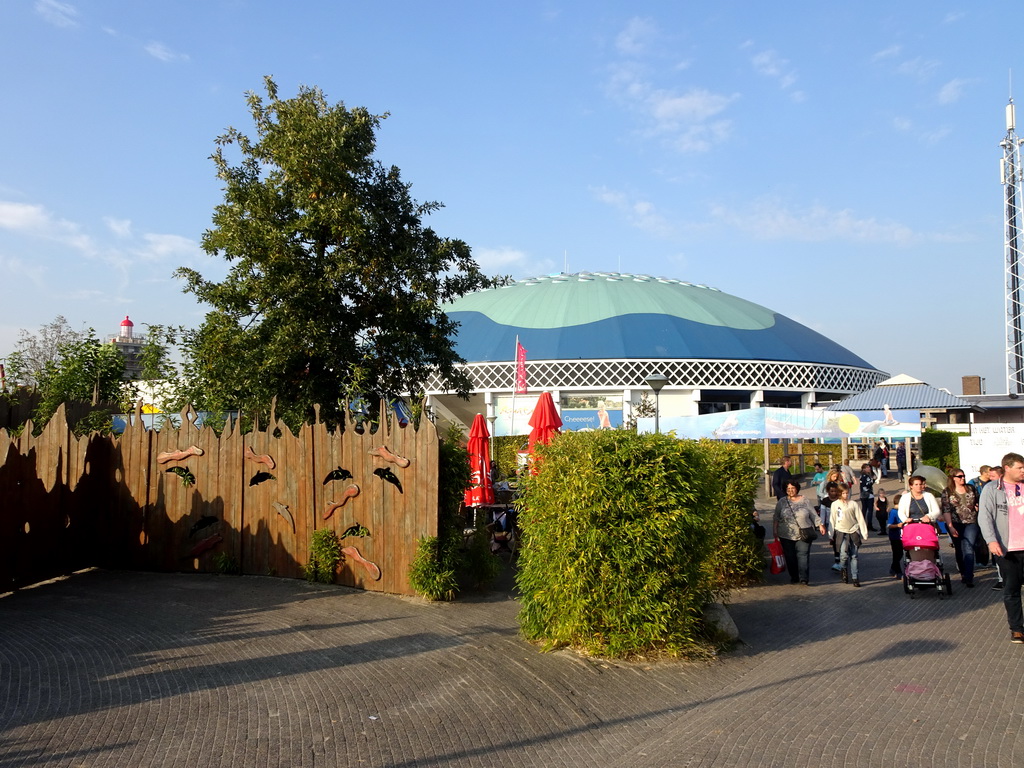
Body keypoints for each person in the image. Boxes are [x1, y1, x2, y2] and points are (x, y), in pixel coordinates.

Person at [978, 452, 1024, 643]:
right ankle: (1017, 628)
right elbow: (985, 516)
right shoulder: (992, 489)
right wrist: (991, 540)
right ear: (1007, 468)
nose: (1023, 471)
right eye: (1019, 468)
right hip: (1007, 548)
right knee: (1012, 589)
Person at [773, 479, 826, 585]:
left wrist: (820, 525)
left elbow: (813, 513)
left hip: (804, 533)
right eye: (788, 489)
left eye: (793, 488)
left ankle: (803, 578)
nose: (791, 490)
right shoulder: (782, 501)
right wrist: (775, 530)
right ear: (785, 490)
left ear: (797, 488)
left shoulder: (804, 499)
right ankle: (794, 576)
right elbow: (776, 517)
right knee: (790, 557)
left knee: (803, 555)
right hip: (786, 534)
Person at [940, 467, 980, 587]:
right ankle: (963, 572)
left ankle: (969, 576)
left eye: (963, 476)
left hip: (971, 522)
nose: (962, 478)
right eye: (959, 476)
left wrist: (977, 506)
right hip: (956, 522)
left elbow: (977, 501)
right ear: (953, 478)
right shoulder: (947, 492)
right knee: (959, 549)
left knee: (968, 547)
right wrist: (950, 526)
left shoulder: (971, 488)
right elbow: (946, 510)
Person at [830, 483, 868, 586]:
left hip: (853, 531)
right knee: (843, 555)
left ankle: (855, 577)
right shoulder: (835, 504)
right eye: (843, 493)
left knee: (854, 555)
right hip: (841, 531)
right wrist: (831, 533)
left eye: (847, 493)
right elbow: (832, 519)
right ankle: (844, 570)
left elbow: (860, 518)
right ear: (839, 493)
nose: (846, 495)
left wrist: (864, 532)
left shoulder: (853, 504)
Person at [886, 492, 905, 578]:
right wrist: (897, 525)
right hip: (895, 536)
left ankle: (893, 569)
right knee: (897, 554)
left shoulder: (901, 511)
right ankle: (898, 572)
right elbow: (889, 525)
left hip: (901, 536)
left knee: (899, 554)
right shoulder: (894, 512)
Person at [859, 463, 876, 531]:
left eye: (869, 467)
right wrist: (873, 481)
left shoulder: (862, 476)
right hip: (868, 494)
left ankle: (862, 524)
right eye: (867, 468)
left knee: (864, 509)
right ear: (864, 469)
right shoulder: (867, 476)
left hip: (862, 494)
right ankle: (869, 524)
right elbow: (868, 485)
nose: (869, 469)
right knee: (870, 510)